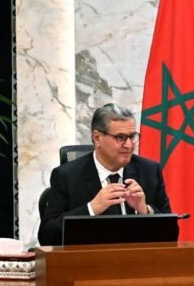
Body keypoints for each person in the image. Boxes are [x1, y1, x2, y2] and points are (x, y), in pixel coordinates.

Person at [38, 103, 171, 245]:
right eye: (120, 137)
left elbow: (171, 235)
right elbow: (47, 237)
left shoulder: (150, 171)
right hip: (88, 258)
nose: (129, 145)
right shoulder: (66, 176)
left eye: (132, 136)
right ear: (97, 138)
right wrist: (91, 209)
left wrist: (145, 211)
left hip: (137, 258)